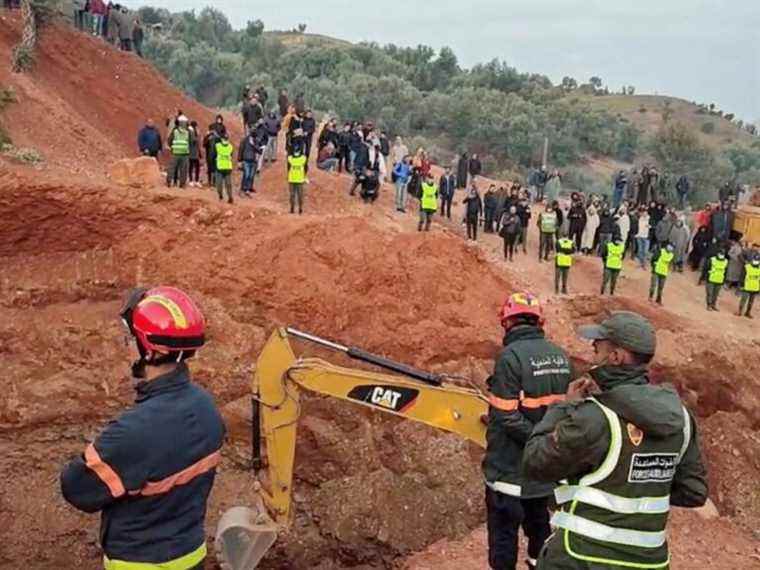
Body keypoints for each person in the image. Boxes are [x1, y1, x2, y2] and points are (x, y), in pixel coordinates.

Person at [523, 311, 707, 570]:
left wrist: (565, 408)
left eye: (597, 348)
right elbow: (693, 492)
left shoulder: (596, 417)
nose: (592, 355)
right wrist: (641, 484)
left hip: (581, 559)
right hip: (649, 563)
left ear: (616, 357)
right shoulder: (682, 419)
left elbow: (535, 461)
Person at [60, 287, 225, 570]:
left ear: (149, 350)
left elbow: (77, 489)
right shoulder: (206, 408)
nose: (126, 345)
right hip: (192, 555)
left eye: (129, 338)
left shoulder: (133, 432)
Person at [484, 293, 572, 570]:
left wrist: (533, 436)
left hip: (508, 471)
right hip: (543, 472)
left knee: (503, 538)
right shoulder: (560, 356)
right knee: (540, 533)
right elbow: (562, 410)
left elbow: (508, 416)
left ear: (507, 322)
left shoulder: (510, 358)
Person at [166, 115, 190, 188]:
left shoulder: (175, 131)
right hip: (184, 153)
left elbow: (169, 140)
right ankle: (182, 184)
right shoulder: (188, 132)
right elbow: (191, 141)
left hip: (175, 152)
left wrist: (173, 147)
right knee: (183, 170)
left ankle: (169, 182)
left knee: (172, 168)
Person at [238, 128, 259, 197]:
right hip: (246, 159)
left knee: (251, 175)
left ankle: (248, 188)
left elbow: (259, 150)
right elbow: (241, 149)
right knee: (246, 175)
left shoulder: (256, 141)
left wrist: (253, 145)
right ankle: (243, 189)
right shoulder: (245, 140)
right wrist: (239, 160)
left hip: (253, 160)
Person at [287, 144, 307, 214]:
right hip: (298, 180)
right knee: (299, 195)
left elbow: (289, 154)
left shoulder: (290, 159)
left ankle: (294, 209)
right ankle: (298, 209)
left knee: (293, 195)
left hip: (293, 179)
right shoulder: (303, 159)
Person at [214, 133, 234, 204]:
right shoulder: (229, 146)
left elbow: (214, 156)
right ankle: (225, 196)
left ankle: (226, 197)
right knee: (224, 184)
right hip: (223, 168)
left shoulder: (219, 146)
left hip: (223, 168)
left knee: (224, 184)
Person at [188, 121, 202, 187]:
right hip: (192, 152)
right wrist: (198, 136)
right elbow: (193, 141)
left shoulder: (192, 131)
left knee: (196, 166)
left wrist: (199, 152)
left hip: (195, 152)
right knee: (192, 166)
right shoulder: (191, 132)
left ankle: (195, 180)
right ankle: (191, 181)